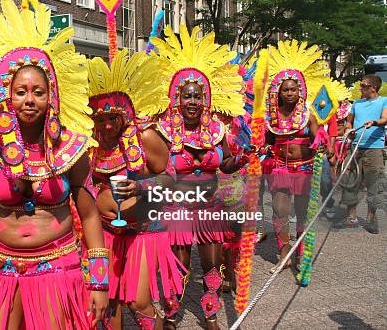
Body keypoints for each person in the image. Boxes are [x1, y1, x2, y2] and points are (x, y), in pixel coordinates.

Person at [0, 0, 108, 329]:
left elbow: (89, 215)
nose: (29, 100)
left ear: (52, 96)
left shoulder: (71, 150)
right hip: (0, 269)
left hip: (57, 268)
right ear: (6, 96)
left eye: (38, 91)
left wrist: (99, 282)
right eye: (20, 92)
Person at [151, 26, 248, 330]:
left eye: (196, 96)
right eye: (186, 96)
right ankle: (171, 316)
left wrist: (243, 157)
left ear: (204, 99)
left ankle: (210, 314)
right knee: (178, 268)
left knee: (211, 265)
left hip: (210, 206)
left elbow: (227, 165)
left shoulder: (217, 131)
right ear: (176, 98)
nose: (191, 102)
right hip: (178, 206)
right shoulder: (163, 132)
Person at [87, 50, 186, 329]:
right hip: (106, 234)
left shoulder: (145, 137)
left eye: (113, 118)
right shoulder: (90, 143)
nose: (107, 125)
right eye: (100, 119)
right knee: (109, 305)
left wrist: (141, 188)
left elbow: (170, 177)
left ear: (124, 114)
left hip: (144, 231)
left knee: (139, 303)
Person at [259, 40, 329, 273]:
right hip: (280, 168)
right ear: (278, 91)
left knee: (301, 214)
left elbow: (317, 136)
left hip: (304, 169)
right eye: (285, 89)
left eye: (293, 89)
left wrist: (320, 143)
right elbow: (268, 141)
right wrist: (260, 147)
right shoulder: (272, 115)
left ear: (300, 90)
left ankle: (301, 255)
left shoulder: (308, 113)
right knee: (279, 212)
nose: (289, 93)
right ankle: (284, 254)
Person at [338, 74, 387, 234]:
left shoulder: (383, 101)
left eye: (363, 85)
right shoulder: (357, 104)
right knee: (350, 181)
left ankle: (371, 217)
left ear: (373, 88)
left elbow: (385, 118)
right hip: (355, 148)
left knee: (374, 183)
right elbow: (349, 121)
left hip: (374, 149)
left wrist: (374, 122)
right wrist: (348, 130)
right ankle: (351, 217)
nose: (360, 88)